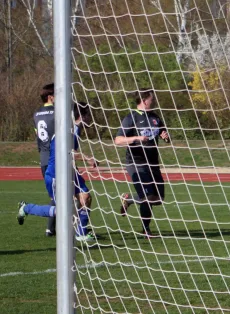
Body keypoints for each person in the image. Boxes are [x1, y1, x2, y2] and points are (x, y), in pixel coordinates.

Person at [18, 102, 98, 242]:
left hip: (70, 171)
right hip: (56, 175)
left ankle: (81, 232)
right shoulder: (68, 130)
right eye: (88, 115)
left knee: (86, 197)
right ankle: (26, 208)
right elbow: (67, 153)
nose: (90, 119)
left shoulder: (75, 129)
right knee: (62, 212)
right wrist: (87, 158)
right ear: (82, 116)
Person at [115, 88, 169, 239]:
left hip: (153, 163)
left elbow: (164, 134)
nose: (154, 101)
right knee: (147, 196)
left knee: (158, 198)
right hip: (136, 163)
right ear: (145, 100)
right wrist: (135, 138)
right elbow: (118, 140)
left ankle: (129, 199)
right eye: (152, 99)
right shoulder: (131, 118)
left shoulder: (155, 117)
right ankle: (146, 230)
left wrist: (165, 136)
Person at [34, 83, 56, 236]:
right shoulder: (57, 112)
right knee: (63, 194)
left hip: (43, 158)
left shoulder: (36, 114)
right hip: (56, 158)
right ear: (50, 97)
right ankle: (51, 228)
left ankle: (51, 228)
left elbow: (38, 136)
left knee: (54, 195)